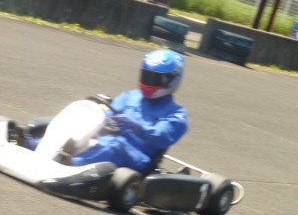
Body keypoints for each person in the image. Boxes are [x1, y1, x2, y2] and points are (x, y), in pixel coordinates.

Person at [36, 50, 189, 174]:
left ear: (172, 79)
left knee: (115, 145)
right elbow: (106, 117)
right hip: (107, 142)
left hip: (139, 158)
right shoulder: (130, 96)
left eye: (156, 79)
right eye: (147, 76)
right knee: (77, 130)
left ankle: (70, 165)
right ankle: (34, 146)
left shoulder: (176, 114)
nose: (150, 82)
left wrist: (136, 127)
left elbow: (161, 138)